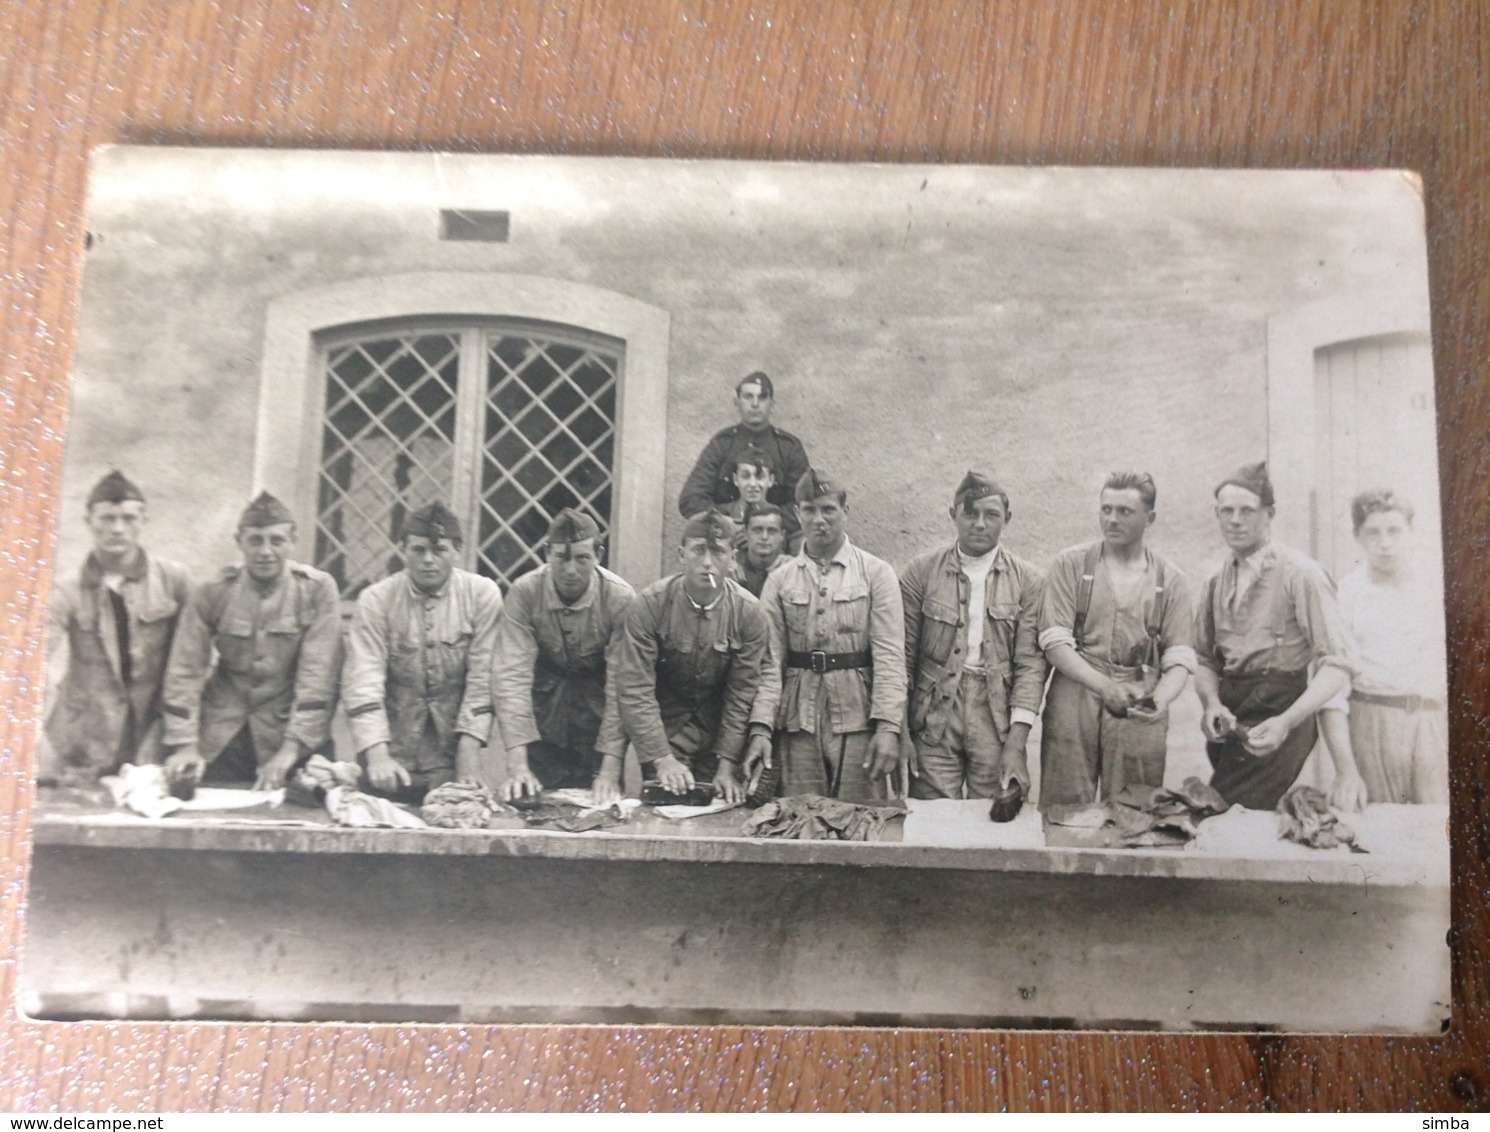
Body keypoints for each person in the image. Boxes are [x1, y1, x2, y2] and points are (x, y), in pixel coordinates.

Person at [1194, 462, 1365, 811]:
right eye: (1227, 511)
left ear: (1269, 514)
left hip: (1280, 712)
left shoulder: (1302, 574)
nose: (1235, 520)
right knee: (1236, 818)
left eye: (1247, 511)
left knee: (1225, 814)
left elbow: (1338, 664)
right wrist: (1211, 702)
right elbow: (1203, 658)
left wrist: (1287, 722)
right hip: (1232, 716)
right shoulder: (1215, 579)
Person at [159, 493, 343, 790]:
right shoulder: (213, 592)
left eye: (277, 541)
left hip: (291, 735)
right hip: (222, 737)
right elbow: (184, 671)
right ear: (239, 541)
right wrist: (184, 744)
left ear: (293, 540)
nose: (266, 551)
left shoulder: (316, 590)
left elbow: (319, 677)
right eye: (255, 540)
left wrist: (290, 752)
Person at [1038, 472, 1196, 806]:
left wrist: (1159, 700)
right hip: (1077, 686)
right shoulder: (1070, 565)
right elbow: (1055, 643)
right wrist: (1104, 686)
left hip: (1140, 692)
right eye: (1106, 509)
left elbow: (1180, 658)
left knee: (1134, 810)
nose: (1112, 519)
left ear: (1149, 518)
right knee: (1065, 806)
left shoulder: (1171, 579)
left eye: (1124, 511)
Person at [752, 469, 907, 803]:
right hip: (798, 720)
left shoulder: (876, 573)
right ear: (797, 514)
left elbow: (890, 656)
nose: (819, 519)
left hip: (858, 717)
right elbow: (769, 662)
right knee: (798, 821)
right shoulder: (779, 582)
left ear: (845, 512)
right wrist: (761, 728)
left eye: (828, 510)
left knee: (862, 821)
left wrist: (888, 727)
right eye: (809, 510)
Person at [603, 509, 771, 804]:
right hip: (665, 732)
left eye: (718, 552)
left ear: (733, 558)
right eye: (698, 551)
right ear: (682, 555)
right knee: (662, 812)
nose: (707, 562)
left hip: (719, 736)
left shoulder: (749, 613)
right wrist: (661, 758)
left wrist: (727, 764)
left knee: (721, 813)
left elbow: (742, 692)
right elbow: (635, 688)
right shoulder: (650, 606)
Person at [341, 502, 503, 802]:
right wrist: (377, 754)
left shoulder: (482, 595)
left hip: (451, 759)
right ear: (403, 550)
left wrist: (468, 756)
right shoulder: (376, 600)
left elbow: (484, 680)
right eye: (418, 550)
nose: (428, 560)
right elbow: (363, 681)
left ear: (457, 551)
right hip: (389, 755)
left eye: (439, 550)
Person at [899, 470, 1045, 801]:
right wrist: (900, 731)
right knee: (932, 822)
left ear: (1006, 518)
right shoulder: (921, 572)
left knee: (994, 820)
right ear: (954, 515)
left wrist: (1016, 743)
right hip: (933, 715)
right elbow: (903, 657)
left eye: (991, 515)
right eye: (970, 513)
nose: (979, 523)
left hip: (995, 717)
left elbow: (1030, 666)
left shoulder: (1028, 581)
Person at [40, 470, 192, 783]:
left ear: (144, 521)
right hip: (82, 740)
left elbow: (193, 663)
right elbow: (33, 657)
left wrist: (172, 729)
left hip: (153, 733)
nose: (118, 529)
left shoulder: (174, 581)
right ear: (89, 521)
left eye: (128, 518)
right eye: (107, 519)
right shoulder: (67, 588)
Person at [492, 508, 636, 804]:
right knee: (532, 806)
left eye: (582, 558)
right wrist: (517, 765)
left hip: (597, 722)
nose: (571, 570)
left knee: (602, 812)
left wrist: (609, 771)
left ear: (599, 554)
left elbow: (623, 685)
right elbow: (510, 677)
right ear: (547, 553)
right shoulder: (525, 593)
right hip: (544, 720)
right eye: (562, 557)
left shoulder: (620, 599)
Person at [1316, 490, 1448, 805]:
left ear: (1411, 532)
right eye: (1372, 532)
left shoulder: (1436, 588)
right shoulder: (1347, 595)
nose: (1384, 542)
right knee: (1382, 833)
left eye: (1394, 531)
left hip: (1433, 724)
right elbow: (1331, 693)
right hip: (1372, 723)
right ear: (1357, 537)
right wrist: (1346, 770)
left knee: (1440, 834)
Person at [677, 372, 811, 520]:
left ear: (772, 403)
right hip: (727, 534)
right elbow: (690, 499)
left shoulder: (789, 448)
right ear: (737, 402)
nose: (755, 404)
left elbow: (805, 502)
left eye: (762, 397)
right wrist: (727, 521)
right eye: (748, 397)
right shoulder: (722, 444)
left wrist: (765, 523)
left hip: (776, 534)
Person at [732, 501, 792, 598]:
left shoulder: (792, 569)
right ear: (745, 533)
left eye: (771, 531)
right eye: (757, 530)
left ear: (782, 535)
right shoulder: (732, 567)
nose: (764, 537)